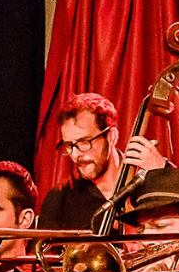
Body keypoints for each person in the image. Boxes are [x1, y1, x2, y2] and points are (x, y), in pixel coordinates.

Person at [36, 93, 169, 232]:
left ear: (112, 137)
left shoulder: (147, 181)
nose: (75, 155)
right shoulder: (59, 200)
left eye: (84, 142)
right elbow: (44, 253)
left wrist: (162, 173)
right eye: (69, 145)